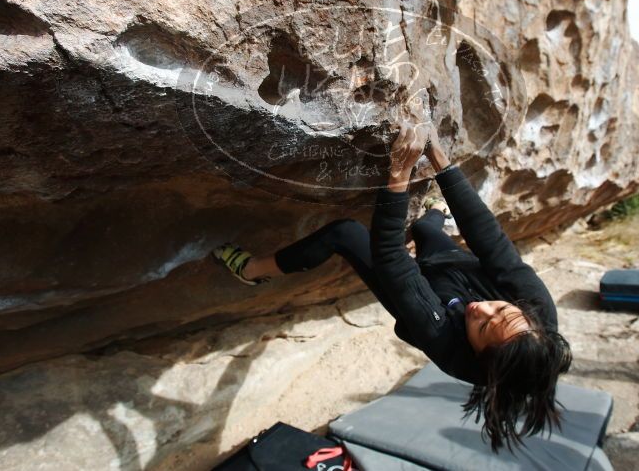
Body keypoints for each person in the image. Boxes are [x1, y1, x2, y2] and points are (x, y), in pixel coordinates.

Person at [214, 120, 572, 451]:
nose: (482, 309)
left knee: (346, 233)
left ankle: (252, 270)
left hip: (422, 302)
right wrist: (438, 157)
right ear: (526, 315)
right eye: (499, 309)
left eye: (482, 326)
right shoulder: (537, 309)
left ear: (478, 354)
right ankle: (434, 218)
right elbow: (487, 236)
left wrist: (399, 172)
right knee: (427, 230)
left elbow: (391, 259)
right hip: (455, 270)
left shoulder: (449, 348)